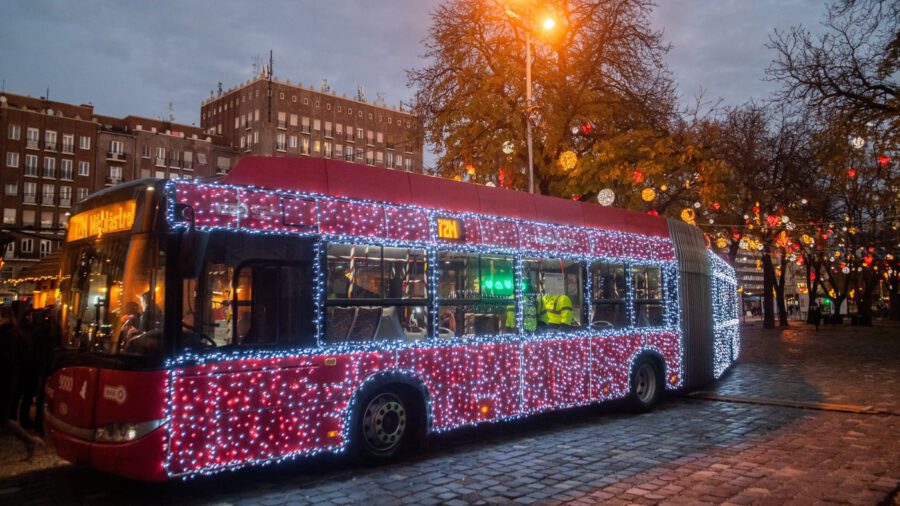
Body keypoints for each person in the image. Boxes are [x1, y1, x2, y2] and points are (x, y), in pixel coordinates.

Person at [0, 306, 44, 460]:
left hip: (4, 380)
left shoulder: (8, 334)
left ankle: (30, 441)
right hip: (9, 379)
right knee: (3, 418)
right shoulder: (14, 333)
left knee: (3, 418)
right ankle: (29, 441)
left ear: (6, 317)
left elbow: (8, 359)